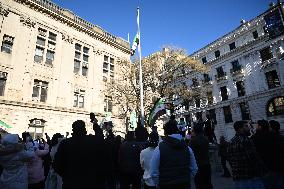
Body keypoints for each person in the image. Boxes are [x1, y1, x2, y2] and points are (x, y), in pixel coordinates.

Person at [53, 120, 110, 189]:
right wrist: (95, 124)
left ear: (73, 130)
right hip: (91, 183)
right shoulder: (93, 141)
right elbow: (100, 137)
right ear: (84, 129)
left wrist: (67, 175)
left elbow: (56, 165)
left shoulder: (65, 143)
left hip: (71, 183)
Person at [150, 119, 198, 189]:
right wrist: (186, 179)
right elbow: (194, 168)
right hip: (184, 184)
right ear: (176, 130)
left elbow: (154, 172)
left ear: (165, 132)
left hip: (166, 184)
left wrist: (158, 184)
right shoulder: (187, 148)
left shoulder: (159, 148)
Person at [227, 121, 266, 189]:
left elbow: (230, 160)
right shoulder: (246, 140)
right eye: (246, 126)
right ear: (240, 129)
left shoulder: (231, 142)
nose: (249, 128)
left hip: (238, 178)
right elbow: (253, 159)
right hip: (250, 177)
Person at [252, 120, 284, 189]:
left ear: (260, 127)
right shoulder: (278, 136)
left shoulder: (256, 137)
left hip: (267, 168)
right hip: (279, 167)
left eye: (257, 125)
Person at [190, 123, 213, 189]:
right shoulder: (205, 139)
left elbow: (191, 153)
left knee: (199, 184)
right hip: (207, 163)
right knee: (208, 183)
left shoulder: (193, 141)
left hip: (198, 165)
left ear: (195, 131)